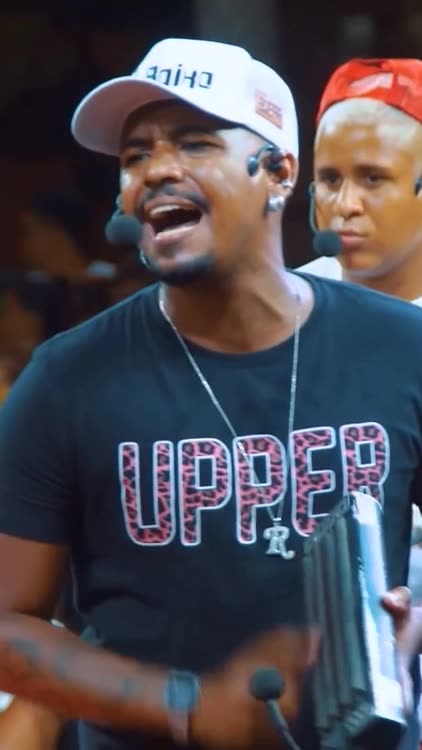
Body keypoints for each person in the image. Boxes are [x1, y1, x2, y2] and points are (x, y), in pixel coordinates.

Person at [0, 37, 420, 750]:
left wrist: (410, 628)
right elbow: (10, 622)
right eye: (135, 156)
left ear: (279, 172)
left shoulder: (403, 347)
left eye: (195, 144)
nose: (157, 170)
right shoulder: (65, 379)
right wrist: (187, 708)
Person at [299, 57, 422, 748]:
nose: (344, 204)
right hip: (290, 661)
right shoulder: (278, 310)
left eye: (373, 178)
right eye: (329, 179)